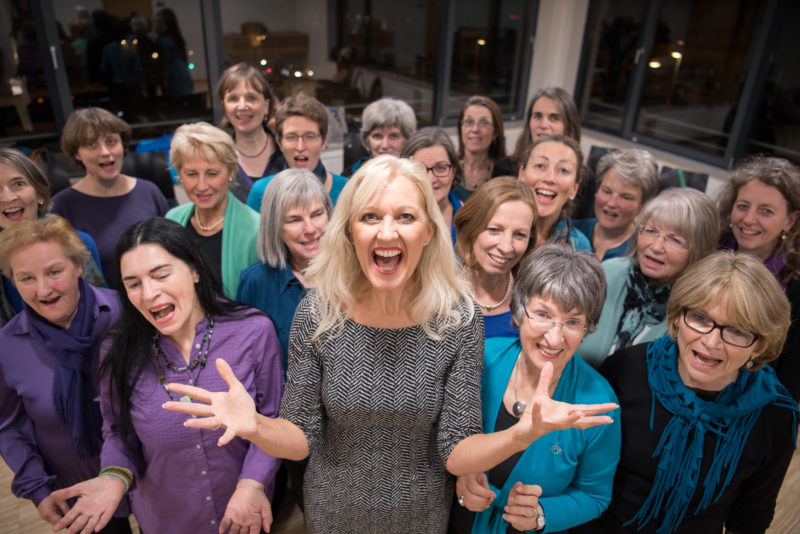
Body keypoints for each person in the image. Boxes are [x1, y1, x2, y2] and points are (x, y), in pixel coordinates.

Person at [164, 155, 618, 533]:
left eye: (405, 216)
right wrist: (257, 426)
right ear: (349, 231)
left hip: (421, 516)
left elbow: (456, 449)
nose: (387, 232)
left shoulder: (457, 318)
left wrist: (523, 434)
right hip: (332, 513)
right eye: (370, 217)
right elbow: (300, 440)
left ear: (427, 231)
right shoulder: (319, 313)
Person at [50, 218, 284, 533]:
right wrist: (113, 477)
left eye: (161, 275)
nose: (148, 294)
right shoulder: (118, 352)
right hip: (166, 520)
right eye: (133, 284)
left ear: (195, 269)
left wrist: (252, 484)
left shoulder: (253, 331)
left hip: (245, 518)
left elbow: (272, 417)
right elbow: (119, 432)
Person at [578, 251, 799, 534]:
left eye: (737, 331)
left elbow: (752, 515)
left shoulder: (774, 413)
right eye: (700, 318)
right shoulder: (627, 370)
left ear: (760, 345)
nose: (711, 342)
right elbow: (581, 472)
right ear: (679, 316)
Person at [450, 244, 621, 533]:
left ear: (586, 329)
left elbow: (595, 495)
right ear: (518, 312)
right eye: (542, 314)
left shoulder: (597, 402)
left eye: (572, 322)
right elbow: (442, 442)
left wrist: (541, 514)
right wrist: (460, 476)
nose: (554, 338)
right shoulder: (481, 360)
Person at [0, 217, 131, 533]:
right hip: (77, 485)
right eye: (26, 278)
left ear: (77, 266)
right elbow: (8, 427)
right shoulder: (7, 346)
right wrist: (37, 488)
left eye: (54, 272)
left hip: (152, 471)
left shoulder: (125, 313)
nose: (43, 289)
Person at [578, 188, 719, 368]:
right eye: (651, 231)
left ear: (698, 250)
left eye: (674, 240)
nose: (657, 246)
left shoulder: (697, 313)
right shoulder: (605, 274)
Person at [52, 107, 169, 286]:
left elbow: (173, 252)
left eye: (111, 141)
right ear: (77, 154)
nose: (105, 152)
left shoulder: (149, 191)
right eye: (92, 145)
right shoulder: (61, 206)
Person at [718, 156, 800, 401]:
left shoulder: (795, 288)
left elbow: (790, 383)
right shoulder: (708, 252)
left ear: (790, 221)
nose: (749, 219)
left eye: (766, 211)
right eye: (743, 206)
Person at [237, 167, 333, 370]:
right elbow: (246, 360)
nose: (310, 229)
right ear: (275, 227)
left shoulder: (353, 276)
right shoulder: (255, 282)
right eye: (295, 220)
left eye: (316, 214)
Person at [0, 148, 104, 327]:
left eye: (18, 184)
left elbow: (105, 312)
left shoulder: (79, 244)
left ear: (39, 193)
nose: (7, 197)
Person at [165, 121, 259, 299]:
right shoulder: (172, 220)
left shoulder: (256, 229)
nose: (202, 186)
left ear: (231, 172)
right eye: (191, 174)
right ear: (179, 174)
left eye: (212, 174)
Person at [454, 177, 537, 338]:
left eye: (519, 235)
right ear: (470, 229)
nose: (506, 247)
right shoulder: (438, 297)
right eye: (494, 230)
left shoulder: (533, 304)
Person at [247, 94, 347, 211]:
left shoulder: (346, 189)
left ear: (324, 142)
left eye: (310, 137)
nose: (300, 147)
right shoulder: (262, 192)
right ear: (279, 143)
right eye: (291, 137)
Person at [574, 148, 660, 261]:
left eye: (625, 197)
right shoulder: (569, 231)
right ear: (597, 191)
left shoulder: (642, 254)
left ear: (643, 206)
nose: (611, 203)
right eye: (607, 191)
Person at [217, 63, 282, 201]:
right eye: (233, 99)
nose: (242, 106)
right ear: (225, 107)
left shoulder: (288, 151)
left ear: (266, 106)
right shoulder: (217, 158)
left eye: (251, 98)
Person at [518, 134, 591, 250]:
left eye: (563, 170)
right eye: (540, 165)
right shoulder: (491, 222)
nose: (549, 178)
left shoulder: (580, 247)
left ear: (574, 189)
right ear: (521, 175)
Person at [401, 127, 464, 245]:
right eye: (420, 169)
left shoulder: (469, 218)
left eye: (440, 168)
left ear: (454, 170)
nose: (430, 180)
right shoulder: (394, 221)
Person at [498, 86, 581, 176]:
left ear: (569, 126)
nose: (543, 125)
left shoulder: (586, 178)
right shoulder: (504, 167)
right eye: (537, 116)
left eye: (554, 118)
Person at [342, 96, 417, 177]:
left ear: (407, 139)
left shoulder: (418, 177)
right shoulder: (349, 176)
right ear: (367, 139)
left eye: (394, 136)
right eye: (377, 136)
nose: (385, 145)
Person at [455, 96, 507, 199]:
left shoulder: (504, 174)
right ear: (461, 128)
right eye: (469, 122)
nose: (475, 129)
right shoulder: (448, 167)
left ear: (495, 132)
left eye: (484, 123)